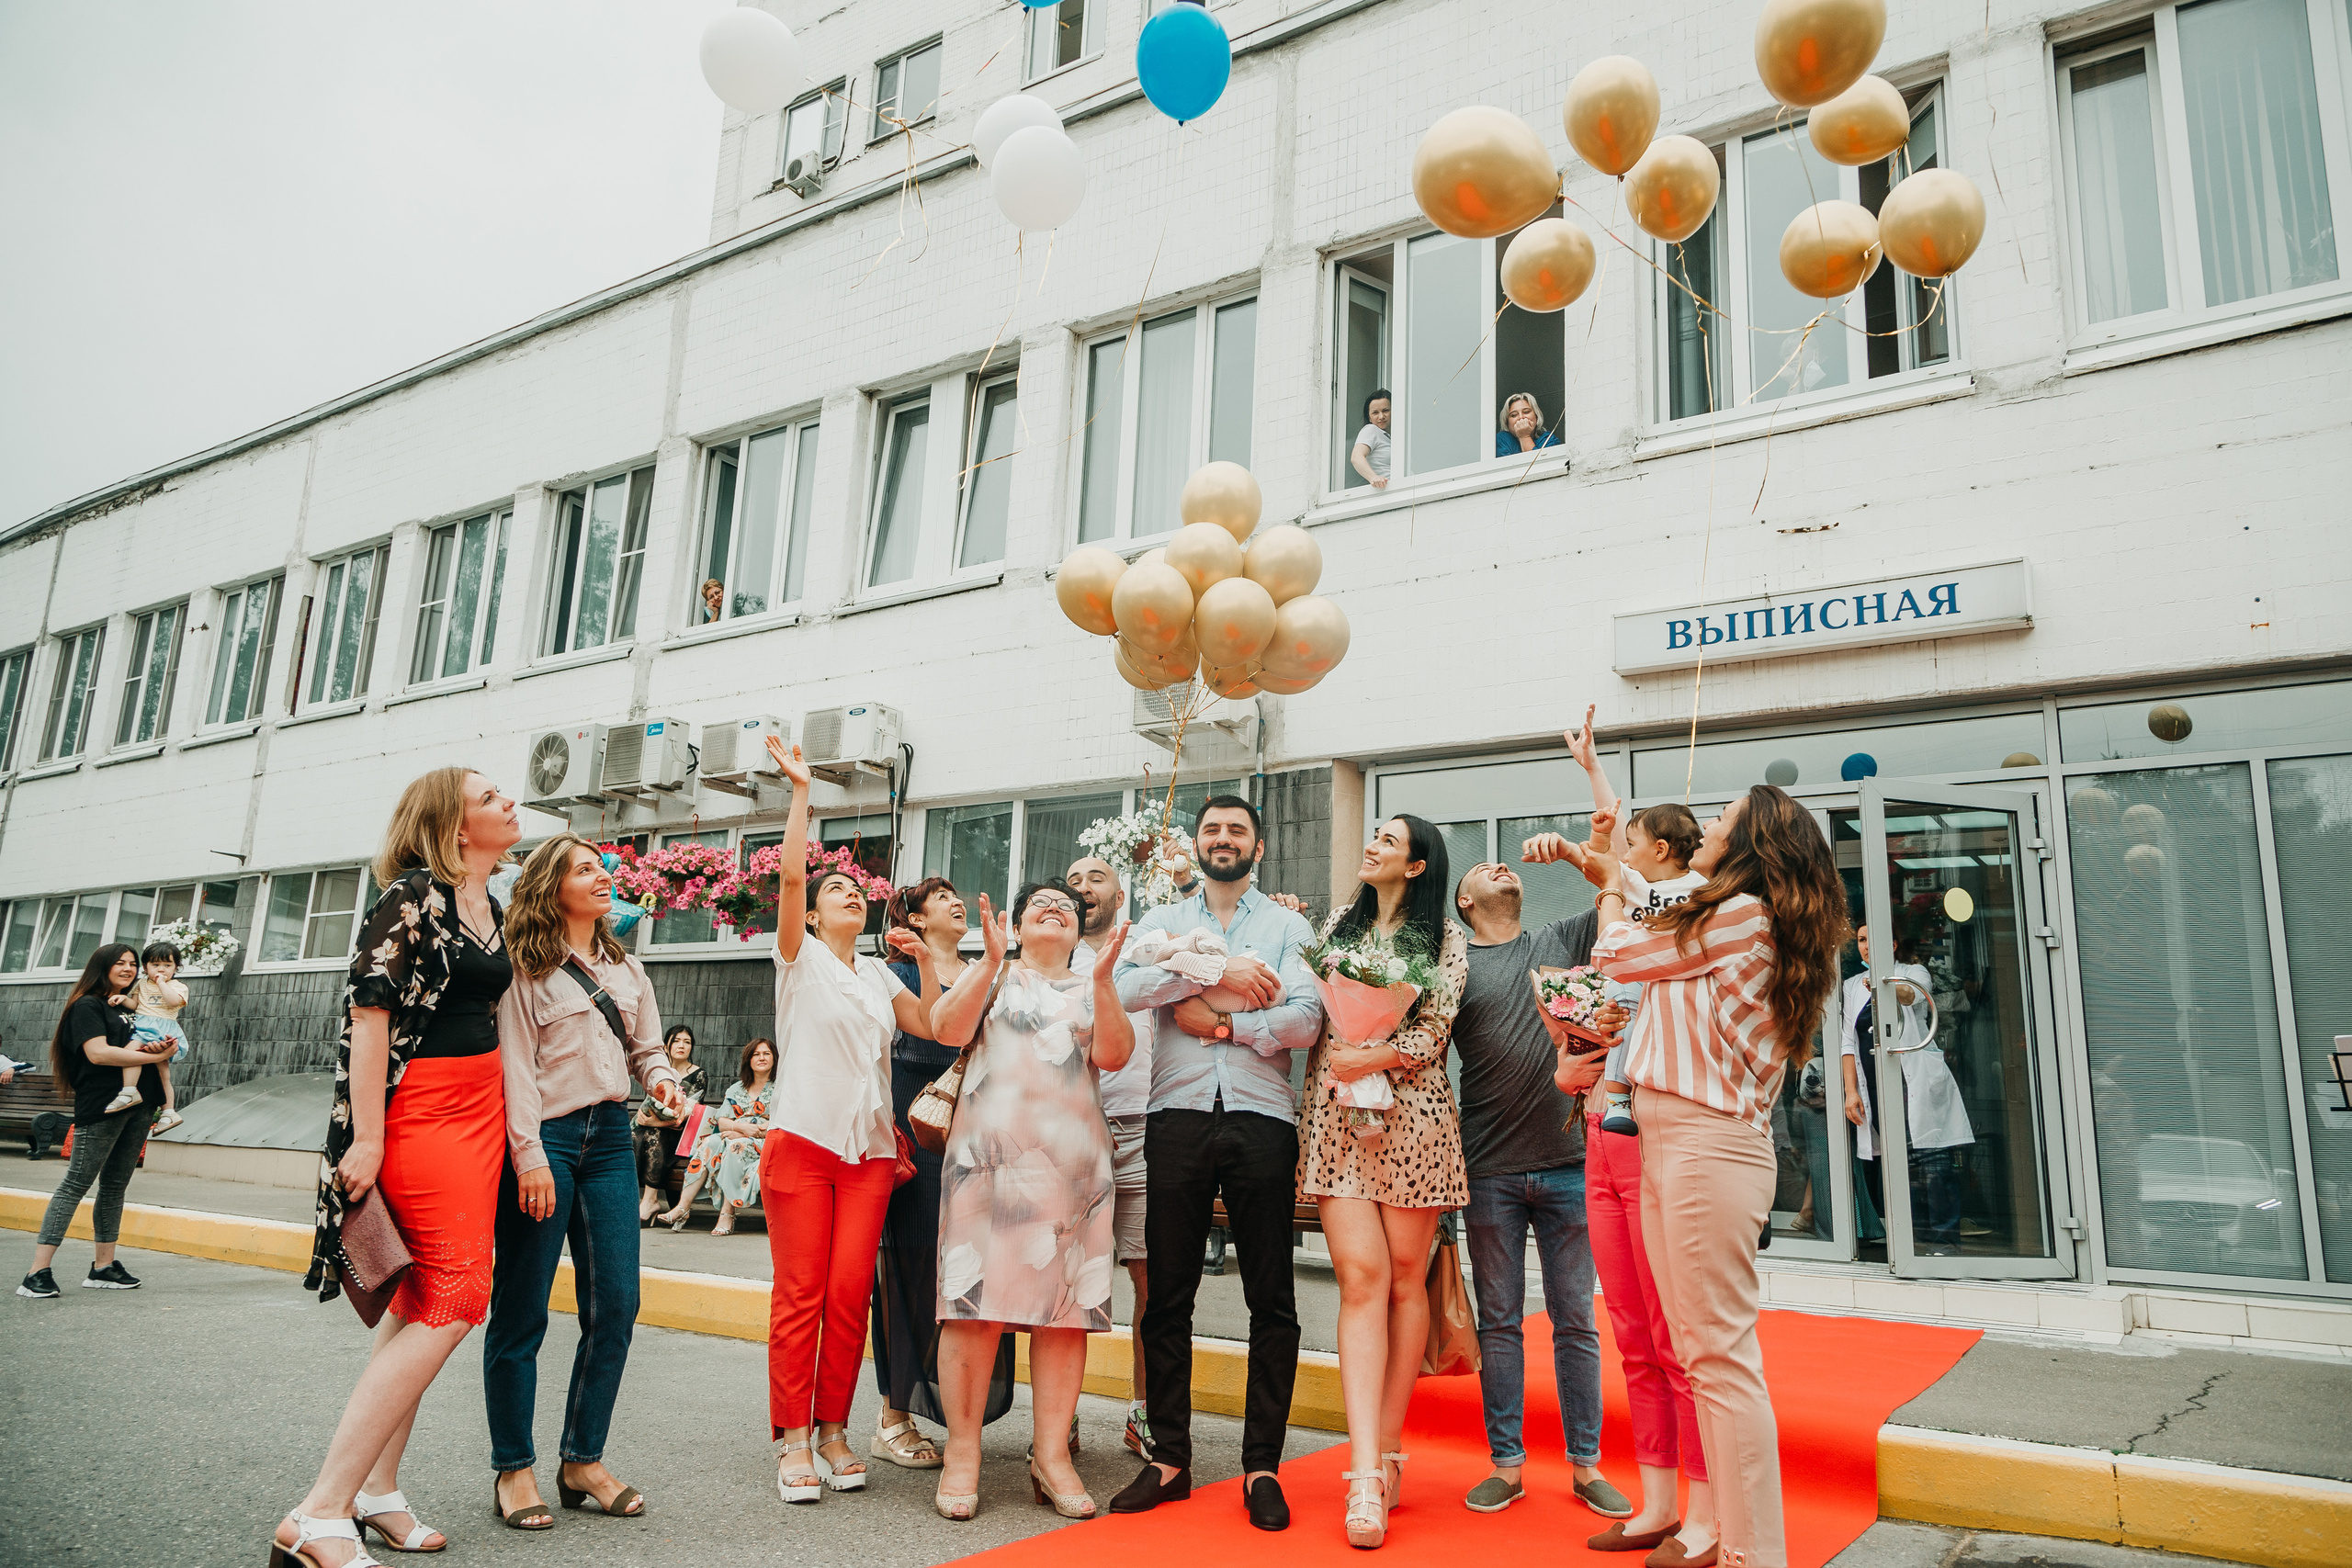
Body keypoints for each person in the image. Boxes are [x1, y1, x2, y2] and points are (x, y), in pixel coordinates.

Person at [1571, 784, 1849, 1568]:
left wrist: (1614, 890)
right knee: (1703, 1354)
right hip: (1676, 1138)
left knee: (1718, 1358)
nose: (1705, 828)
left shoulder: (1736, 915)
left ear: (1750, 845)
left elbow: (1618, 952)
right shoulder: (1726, 919)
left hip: (1705, 1140)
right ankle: (1729, 1536)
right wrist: (1623, 877)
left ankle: (1753, 1553)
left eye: (1721, 821)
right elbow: (1647, 940)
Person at [276, 766, 524, 1565]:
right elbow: (370, 1010)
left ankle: (378, 1491)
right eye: (489, 798)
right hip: (425, 1113)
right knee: (456, 1297)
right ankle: (320, 1510)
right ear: (453, 826)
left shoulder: (496, 903)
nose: (508, 802)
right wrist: (370, 1138)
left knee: (416, 1300)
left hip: (481, 1113)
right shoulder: (413, 895)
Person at [1111, 795, 1321, 1532]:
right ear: (1196, 843)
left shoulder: (1291, 925)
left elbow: (1305, 1016)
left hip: (1263, 1120)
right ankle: (1169, 1457)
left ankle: (1262, 1462)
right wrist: (1214, 966)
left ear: (1257, 846)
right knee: (1168, 1292)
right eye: (1212, 829)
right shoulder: (1162, 918)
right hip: (1175, 1118)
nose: (1223, 838)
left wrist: (1224, 1021)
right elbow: (1128, 987)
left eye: (1236, 829)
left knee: (1273, 1297)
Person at [760, 739, 943, 1506]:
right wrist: (802, 791)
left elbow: (934, 1024)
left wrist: (928, 952)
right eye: (836, 888)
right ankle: (793, 1439)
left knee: (845, 1295)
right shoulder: (796, 957)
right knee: (800, 1292)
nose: (847, 895)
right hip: (802, 1141)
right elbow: (795, 873)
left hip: (868, 1152)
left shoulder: (873, 971)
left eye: (854, 890)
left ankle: (834, 1428)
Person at [484, 834, 686, 1524]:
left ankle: (582, 1458)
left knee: (616, 1306)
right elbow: (515, 1067)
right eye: (584, 869)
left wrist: (661, 1080)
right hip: (547, 1138)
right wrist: (528, 1156)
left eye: (603, 869)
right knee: (522, 1309)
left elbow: (646, 1047)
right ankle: (514, 1467)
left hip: (609, 1140)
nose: (602, 878)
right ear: (551, 886)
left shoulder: (626, 967)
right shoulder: (524, 968)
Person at [929, 883, 1133, 1521]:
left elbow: (1115, 1055)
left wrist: (1101, 979)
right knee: (972, 1307)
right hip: (985, 1164)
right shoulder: (992, 970)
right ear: (1016, 923)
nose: (1056, 907)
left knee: (1065, 1314)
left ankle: (1052, 1454)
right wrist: (989, 960)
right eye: (1041, 902)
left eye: (1068, 907)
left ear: (1080, 931)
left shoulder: (1093, 982)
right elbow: (945, 1029)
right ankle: (964, 1451)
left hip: (1074, 1169)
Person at [1298, 814, 1467, 1550]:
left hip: (1416, 1118)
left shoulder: (1445, 939)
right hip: (1338, 1115)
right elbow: (1319, 1012)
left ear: (1418, 866)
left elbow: (1436, 1028)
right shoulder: (1338, 924)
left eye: (1388, 840)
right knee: (1360, 1279)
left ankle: (1390, 1447)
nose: (1371, 844)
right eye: (1370, 834)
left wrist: (1378, 1055)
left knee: (1405, 1281)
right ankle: (1363, 1472)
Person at [1446, 861, 1632, 1523]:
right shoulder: (1454, 962)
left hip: (1567, 1161)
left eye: (1507, 862)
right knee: (1499, 1322)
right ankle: (1507, 1465)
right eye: (1482, 867)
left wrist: (1594, 844)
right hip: (1488, 1166)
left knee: (1576, 1318)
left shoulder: (1559, 937)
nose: (1501, 864)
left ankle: (1587, 1465)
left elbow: (1618, 888)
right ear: (1466, 899)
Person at [868, 876, 1012, 1469]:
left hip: (978, 1135)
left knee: (974, 1274)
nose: (959, 903)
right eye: (942, 900)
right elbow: (924, 1030)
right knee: (911, 1270)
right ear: (918, 921)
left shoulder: (990, 971)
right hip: (919, 1129)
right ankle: (893, 1414)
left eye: (960, 894)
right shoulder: (898, 976)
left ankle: (961, 1416)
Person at [1559, 706, 1706, 1135]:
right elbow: (1613, 817)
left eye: (1634, 843)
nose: (1625, 849)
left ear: (1660, 849)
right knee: (1620, 997)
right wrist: (1592, 767)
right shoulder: (1633, 881)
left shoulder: (1703, 888)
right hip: (1633, 985)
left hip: (1677, 996)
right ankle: (1619, 1099)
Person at [18, 945, 174, 1299]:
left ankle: (103, 1267)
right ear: (101, 967)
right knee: (76, 1183)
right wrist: (153, 1054)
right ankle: (36, 1272)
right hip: (105, 1103)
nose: (129, 968)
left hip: (141, 1103)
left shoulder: (135, 1004)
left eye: (134, 964)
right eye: (120, 963)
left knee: (115, 1186)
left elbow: (147, 1042)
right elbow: (98, 1053)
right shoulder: (88, 1005)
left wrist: (164, 1048)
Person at [1068, 853, 1159, 1459]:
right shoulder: (1051, 958)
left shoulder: (1146, 948)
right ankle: (1060, 1418)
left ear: (1120, 894)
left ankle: (1144, 1412)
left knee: (1152, 1282)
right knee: (1065, 1283)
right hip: (1074, 1137)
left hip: (1149, 1132)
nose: (1081, 887)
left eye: (1094, 876)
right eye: (1071, 879)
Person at [1840, 924, 1973, 1254]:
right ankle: (1910, 1243)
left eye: (1875, 939)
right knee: (1897, 1166)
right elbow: (1847, 1042)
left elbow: (1913, 995)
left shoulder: (1912, 971)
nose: (1867, 946)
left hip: (1911, 1082)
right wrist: (1850, 1091)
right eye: (1861, 940)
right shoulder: (1851, 985)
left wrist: (1883, 982)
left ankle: (1945, 1242)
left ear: (1894, 943)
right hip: (1875, 1086)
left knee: (1932, 1164)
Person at [662, 1040, 774, 1235]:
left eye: (766, 1053)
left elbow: (777, 1125)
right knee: (710, 1142)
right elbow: (722, 1121)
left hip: (765, 1143)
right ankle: (683, 1207)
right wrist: (740, 1129)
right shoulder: (736, 1089)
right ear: (748, 1059)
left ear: (774, 1058)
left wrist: (741, 1131)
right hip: (733, 1137)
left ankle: (727, 1213)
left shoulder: (781, 1089)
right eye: (756, 1054)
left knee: (735, 1146)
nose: (761, 1058)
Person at [111, 942, 190, 1133]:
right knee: (151, 1065)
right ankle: (164, 1110)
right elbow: (136, 1005)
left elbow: (173, 1002)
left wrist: (162, 982)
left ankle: (161, 1107)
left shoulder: (178, 986)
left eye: (167, 965)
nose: (161, 969)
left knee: (158, 1070)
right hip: (143, 1025)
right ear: (145, 967)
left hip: (163, 1029)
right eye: (155, 965)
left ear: (176, 968)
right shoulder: (142, 984)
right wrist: (123, 999)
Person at [635, 1026, 707, 1224]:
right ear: (666, 1045)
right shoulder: (659, 1074)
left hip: (681, 1133)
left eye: (687, 1042)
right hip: (654, 1127)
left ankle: (650, 1201)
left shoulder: (699, 1074)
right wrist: (646, 1119)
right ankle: (632, 1201)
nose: (682, 1045)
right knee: (634, 1137)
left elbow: (689, 1113)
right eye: (676, 1041)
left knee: (655, 1135)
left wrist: (654, 1122)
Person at [1495, 391, 1560, 457]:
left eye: (1526, 412)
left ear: (1536, 416)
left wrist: (1525, 437)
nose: (1521, 417)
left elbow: (1540, 465)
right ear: (1507, 422)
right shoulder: (1502, 440)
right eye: (1514, 415)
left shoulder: (1548, 439)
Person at [1351, 389, 1393, 490]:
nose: (1381, 416)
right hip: (1386, 490)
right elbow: (1356, 457)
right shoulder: (1371, 430)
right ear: (1369, 418)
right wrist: (1373, 478)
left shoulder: (1397, 437)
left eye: (1385, 410)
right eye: (1375, 413)